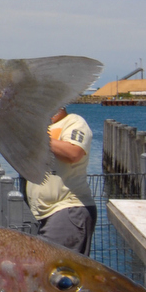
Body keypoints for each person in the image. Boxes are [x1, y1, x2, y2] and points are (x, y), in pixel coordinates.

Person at [25, 107, 95, 255]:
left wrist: (37, 138)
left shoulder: (73, 122)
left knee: (47, 265)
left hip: (68, 208)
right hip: (45, 214)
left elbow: (73, 152)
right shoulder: (41, 129)